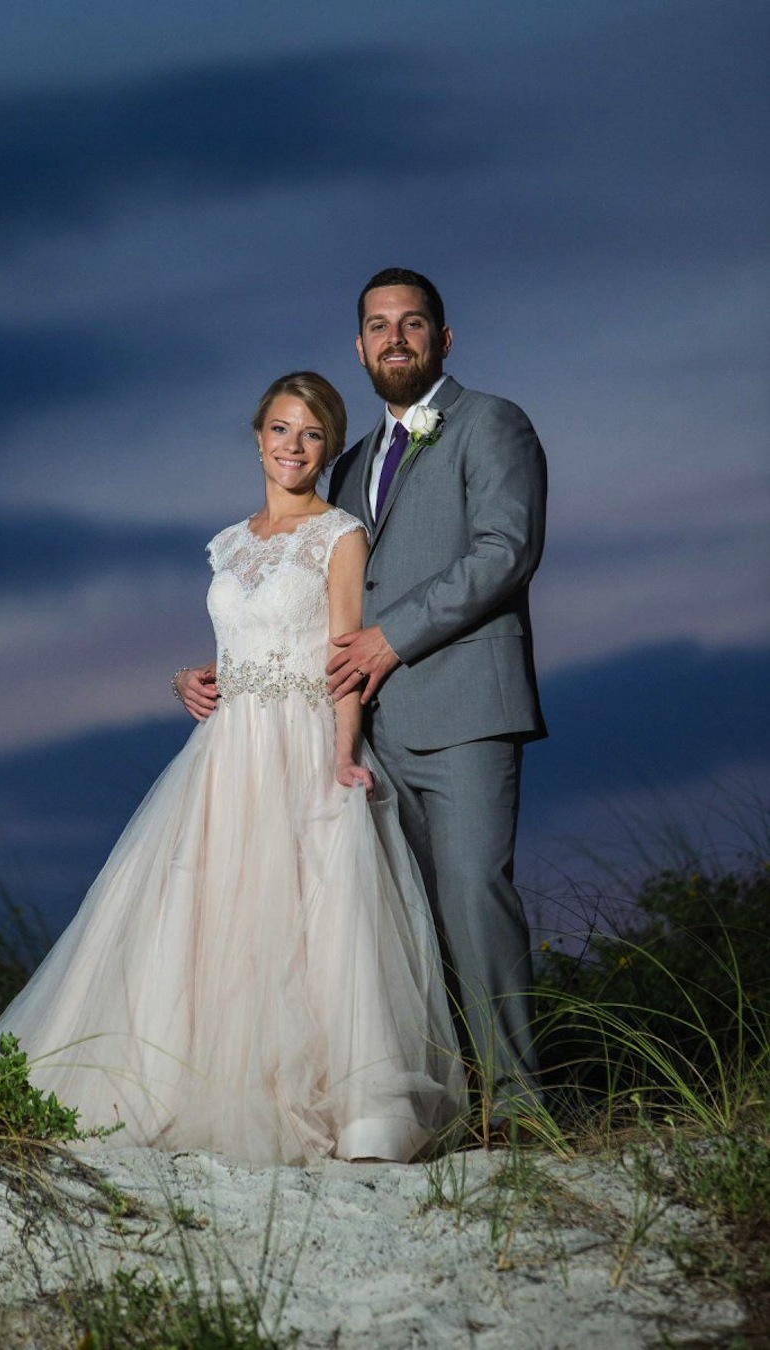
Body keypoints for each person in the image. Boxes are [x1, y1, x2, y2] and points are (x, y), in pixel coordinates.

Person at [0, 371, 464, 1166]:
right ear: (259, 436)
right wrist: (184, 677)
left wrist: (343, 753)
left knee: (309, 927)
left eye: (309, 434)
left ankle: (356, 1111)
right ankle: (178, 1086)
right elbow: (245, 645)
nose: (292, 446)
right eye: (279, 429)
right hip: (227, 750)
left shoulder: (339, 534)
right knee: (206, 921)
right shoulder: (229, 542)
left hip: (301, 743)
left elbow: (339, 655)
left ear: (327, 446)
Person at [325, 269, 547, 1135]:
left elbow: (505, 550)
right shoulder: (347, 465)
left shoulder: (493, 423)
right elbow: (320, 592)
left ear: (442, 339)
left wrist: (394, 636)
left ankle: (523, 1108)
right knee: (400, 926)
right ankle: (447, 1107)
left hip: (466, 711)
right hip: (369, 733)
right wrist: (219, 669)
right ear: (359, 347)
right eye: (379, 325)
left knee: (471, 896)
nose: (395, 338)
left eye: (412, 323)